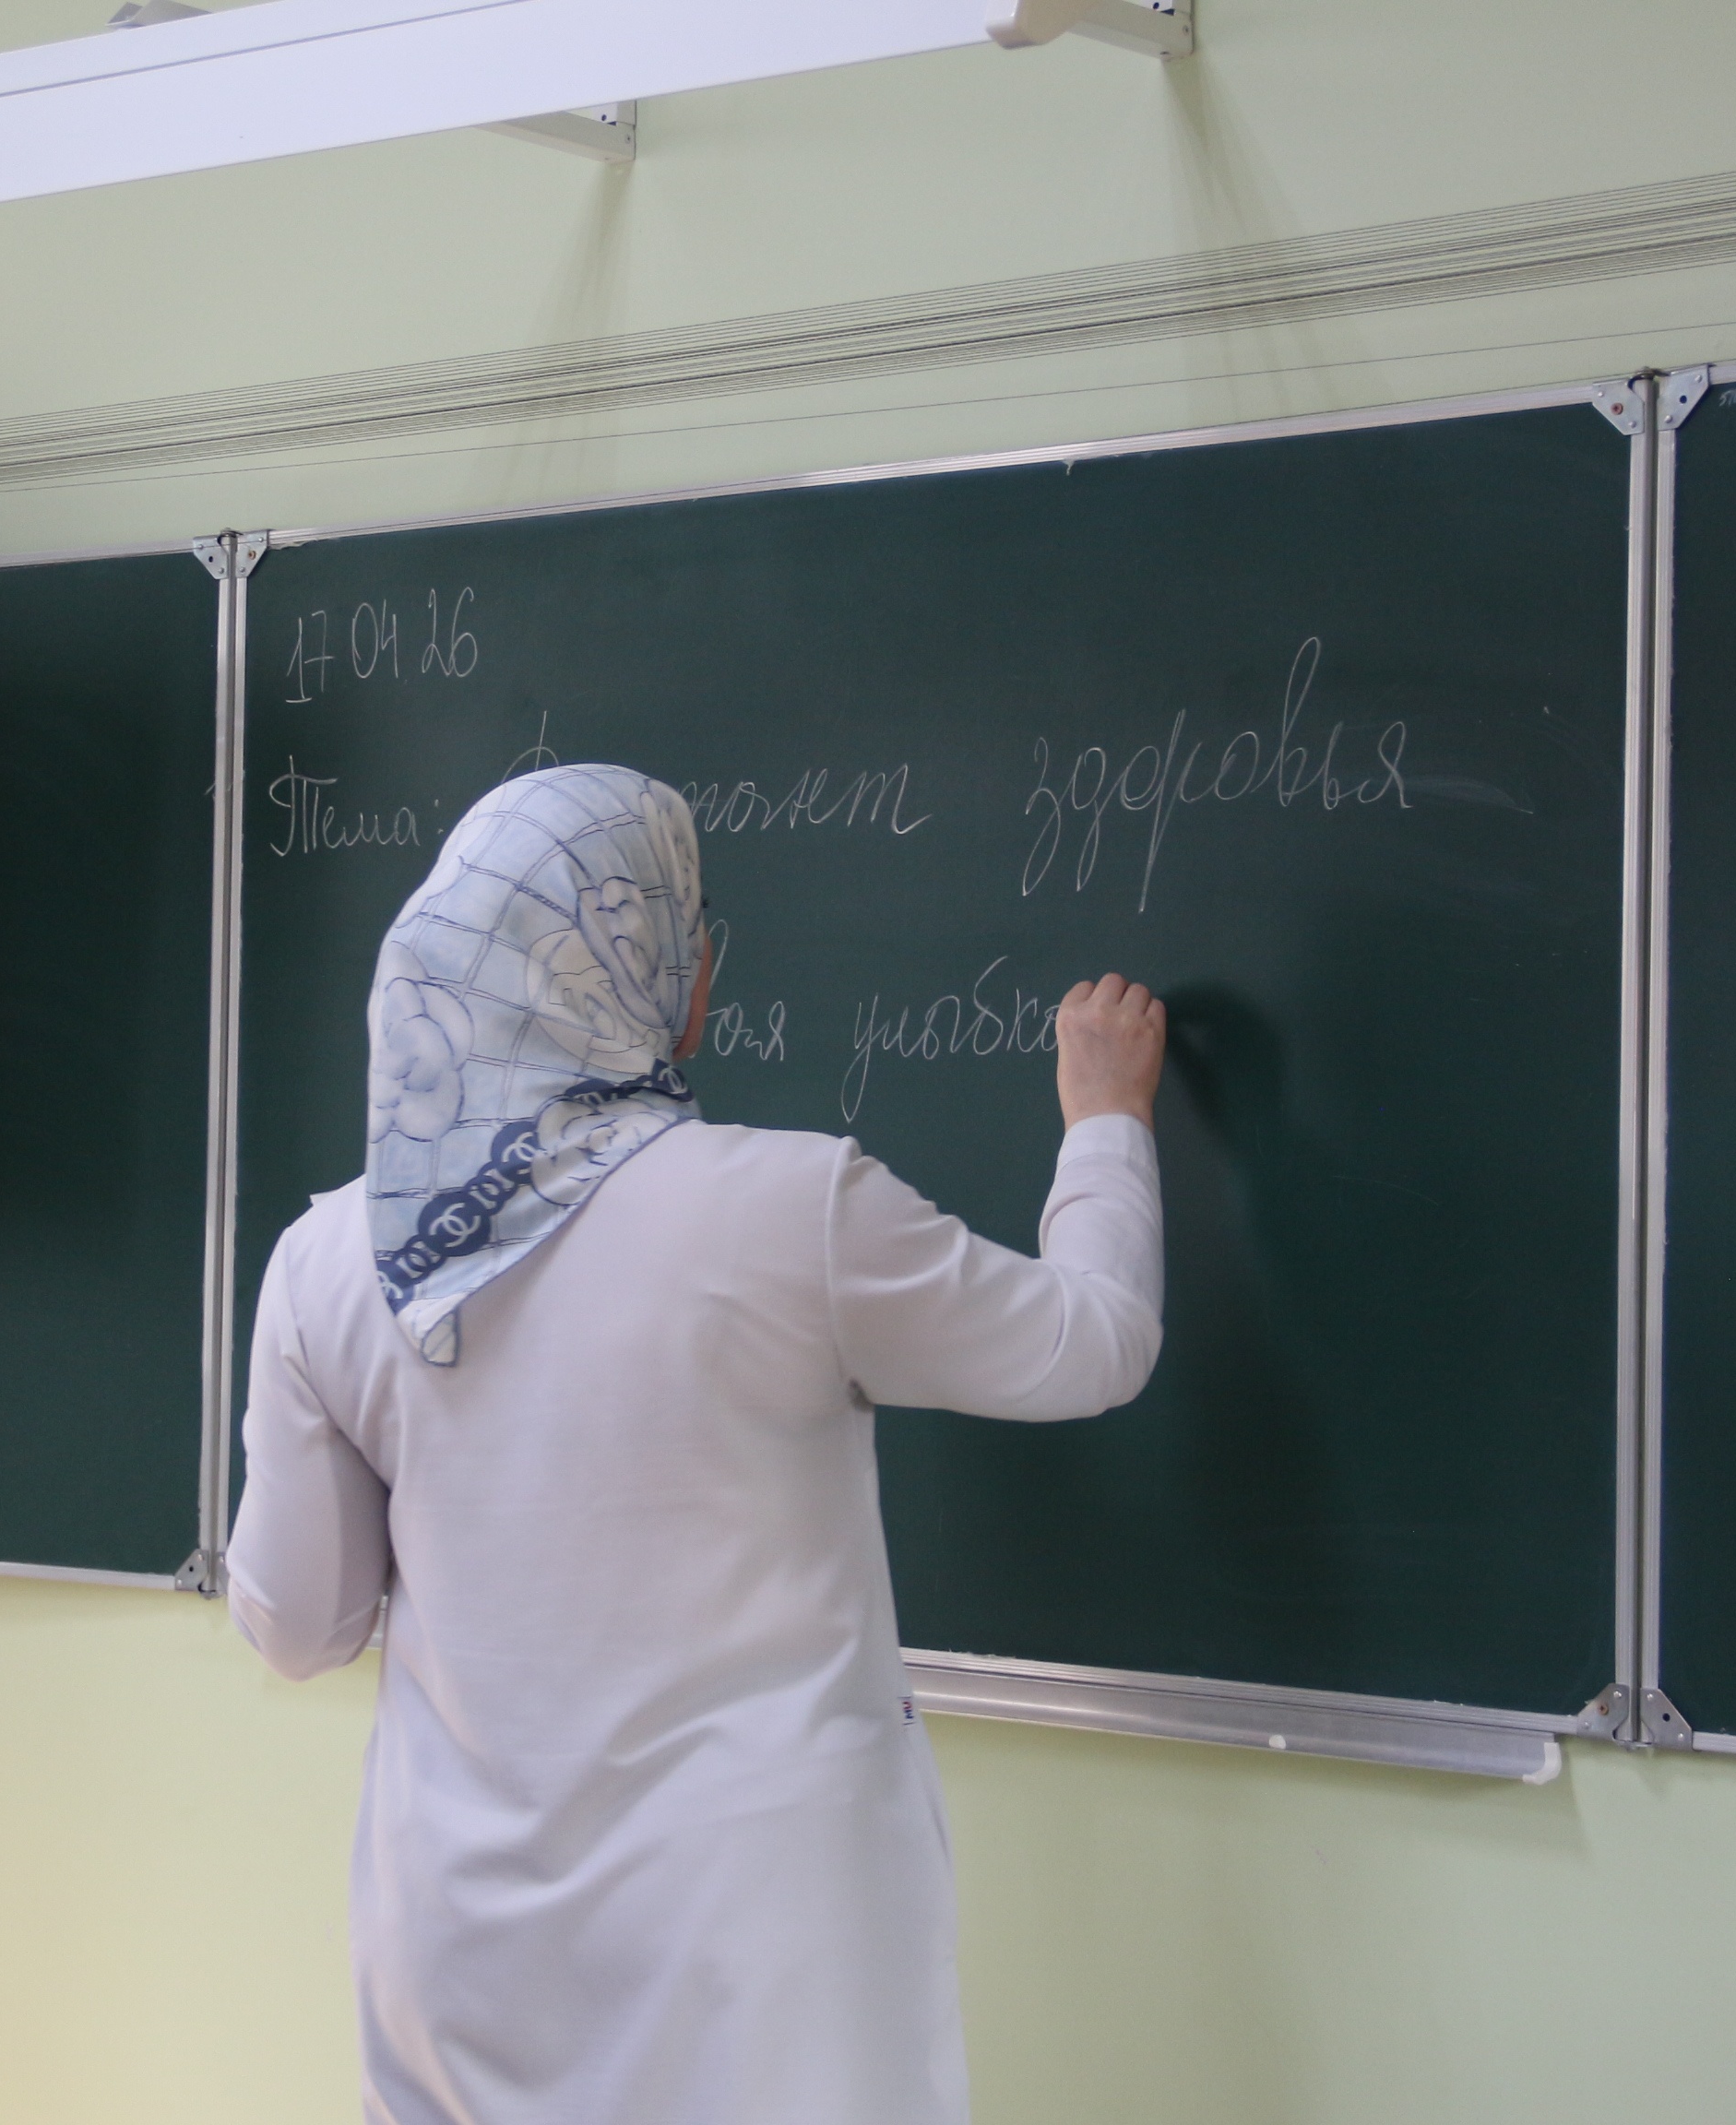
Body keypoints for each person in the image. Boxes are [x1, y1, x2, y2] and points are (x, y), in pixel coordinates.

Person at [228, 763, 1166, 2125]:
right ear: (645, 964)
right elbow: (1093, 1344)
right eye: (688, 924)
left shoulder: (330, 1260)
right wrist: (1107, 1123)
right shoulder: (795, 1209)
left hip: (463, 1952)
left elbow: (298, 1626)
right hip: (760, 1957)